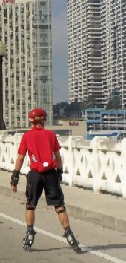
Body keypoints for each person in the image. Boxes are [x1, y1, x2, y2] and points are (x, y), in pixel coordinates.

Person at [11, 108, 81, 253]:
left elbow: (20, 158)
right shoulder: (50, 135)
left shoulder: (27, 136)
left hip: (35, 175)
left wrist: (15, 177)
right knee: (59, 206)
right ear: (43, 120)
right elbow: (58, 157)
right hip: (50, 174)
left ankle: (29, 234)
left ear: (31, 121)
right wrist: (59, 172)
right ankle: (69, 235)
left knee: (30, 205)